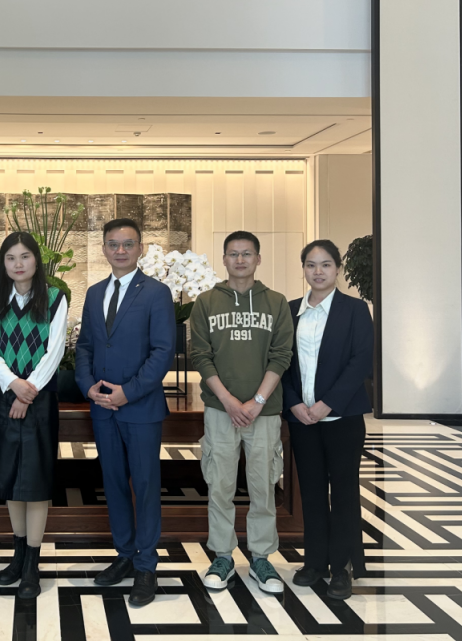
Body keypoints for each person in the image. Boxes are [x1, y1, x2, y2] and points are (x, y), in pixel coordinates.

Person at [75, 218, 175, 608]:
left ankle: (146, 565)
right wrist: (88, 386)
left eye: (128, 244)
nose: (120, 250)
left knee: (146, 487)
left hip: (141, 408)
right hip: (102, 408)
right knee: (113, 483)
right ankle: (124, 555)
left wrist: (127, 393)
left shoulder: (157, 293)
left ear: (140, 248)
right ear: (103, 248)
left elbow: (162, 352)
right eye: (113, 244)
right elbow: (85, 346)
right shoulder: (94, 292)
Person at [190, 230, 294, 595]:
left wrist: (257, 401)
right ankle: (222, 556)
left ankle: (262, 558)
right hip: (221, 410)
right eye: (233, 254)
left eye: (246, 253)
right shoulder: (206, 302)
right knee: (219, 485)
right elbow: (200, 355)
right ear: (224, 259)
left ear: (258, 259)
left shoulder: (276, 302)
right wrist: (230, 401)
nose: (239, 260)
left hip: (264, 412)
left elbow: (281, 355)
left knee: (263, 485)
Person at [281, 239, 373, 600]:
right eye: (310, 265)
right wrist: (293, 404)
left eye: (326, 265)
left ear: (338, 268)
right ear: (303, 268)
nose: (318, 272)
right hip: (301, 420)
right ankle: (315, 562)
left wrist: (327, 404)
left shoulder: (355, 309)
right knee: (312, 492)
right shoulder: (290, 311)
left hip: (342, 419)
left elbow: (361, 361)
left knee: (344, 492)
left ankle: (342, 568)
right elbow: (281, 362)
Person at [0, 232, 68, 599]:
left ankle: (32, 562)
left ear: (36, 260)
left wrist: (27, 391)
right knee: (10, 477)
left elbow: (55, 349)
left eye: (25, 256)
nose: (18, 264)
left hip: (40, 400)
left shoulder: (55, 298)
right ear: (3, 263)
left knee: (36, 480)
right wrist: (12, 384)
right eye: (11, 258)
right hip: (5, 397)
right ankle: (17, 556)